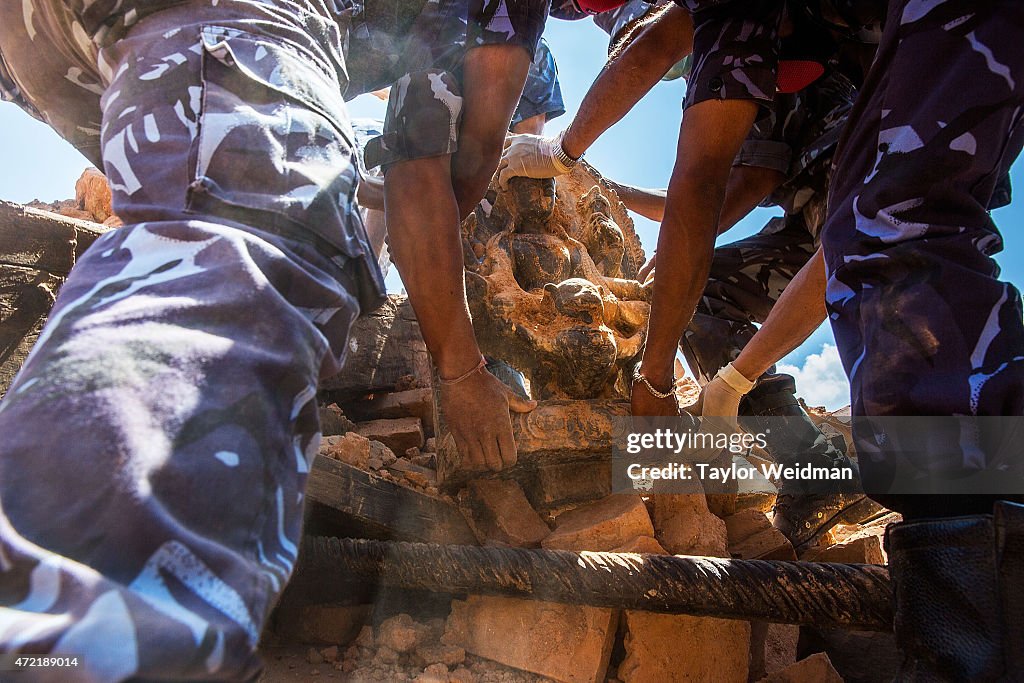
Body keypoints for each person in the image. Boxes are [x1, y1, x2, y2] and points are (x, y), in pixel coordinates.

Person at [0, 0, 543, 677]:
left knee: (192, 193)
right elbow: (441, 166)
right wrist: (462, 372)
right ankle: (82, 642)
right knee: (266, 233)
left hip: (52, 41)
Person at [646, 0, 1024, 676]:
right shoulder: (781, 88)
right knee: (710, 291)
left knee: (897, 244)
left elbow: (846, 239)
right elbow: (733, 192)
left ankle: (978, 613)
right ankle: (815, 475)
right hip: (831, 222)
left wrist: (732, 378)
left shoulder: (838, 88)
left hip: (851, 218)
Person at [499, 1, 879, 547]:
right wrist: (617, 197)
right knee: (702, 296)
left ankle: (965, 504)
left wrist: (683, 375)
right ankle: (816, 472)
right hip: (814, 218)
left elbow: (725, 191)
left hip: (864, 184)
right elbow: (717, 186)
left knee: (890, 271)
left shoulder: (769, 46)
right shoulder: (738, 54)